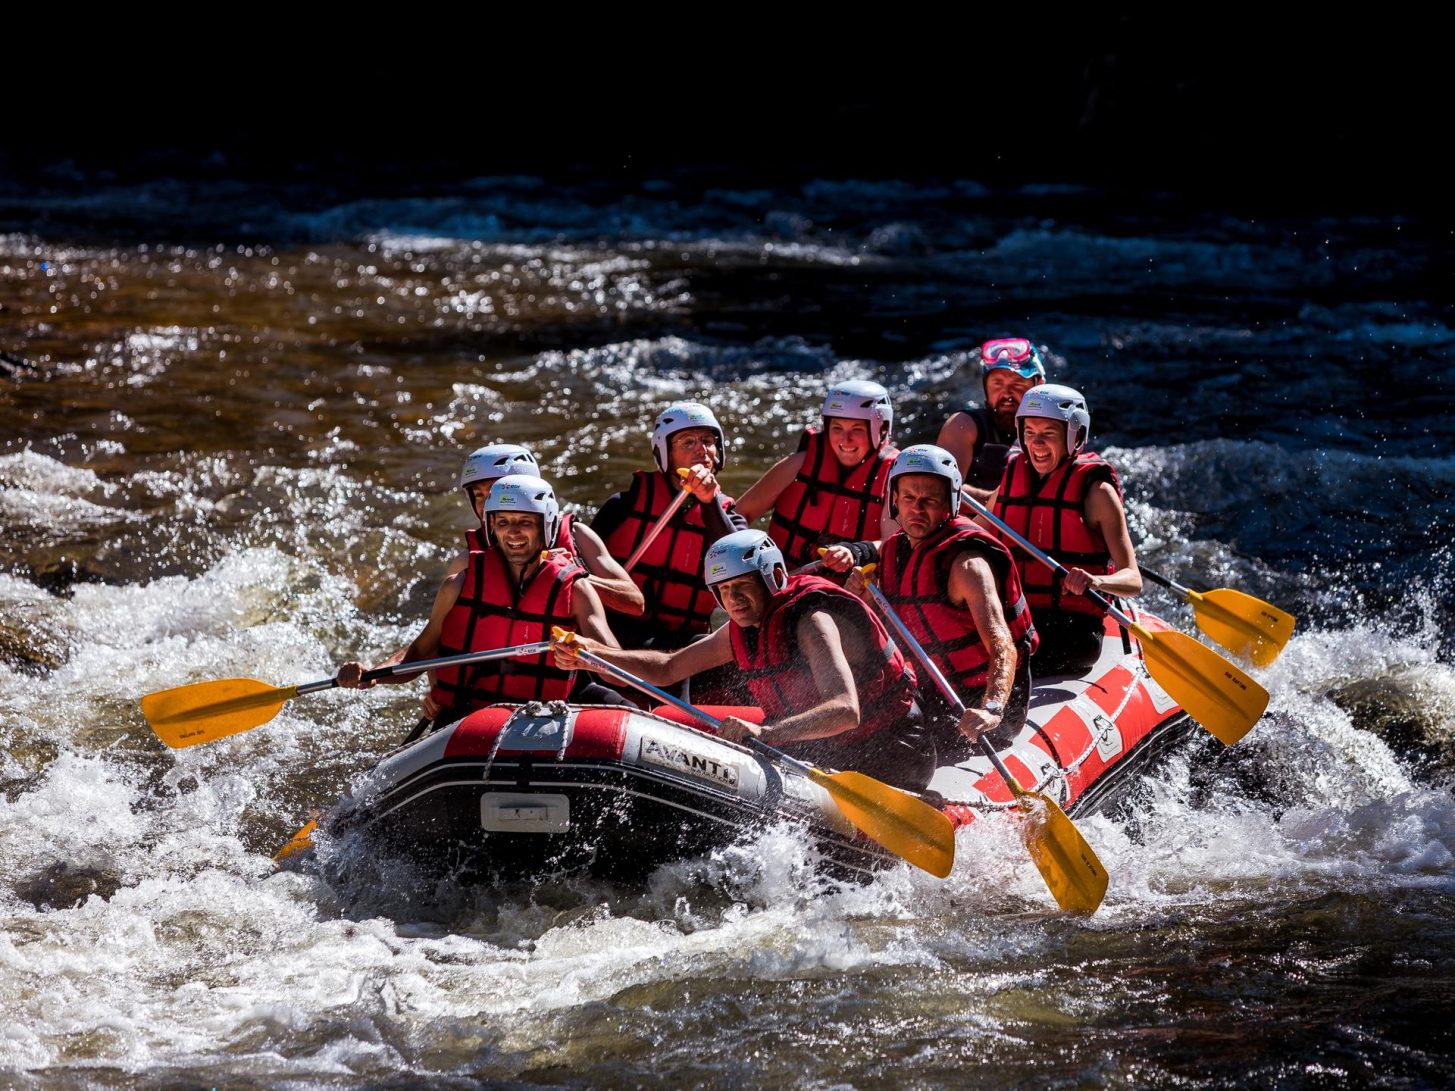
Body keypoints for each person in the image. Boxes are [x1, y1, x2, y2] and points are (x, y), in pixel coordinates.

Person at [554, 530, 935, 793]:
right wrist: (594, 653)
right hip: (831, 749)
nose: (733, 600)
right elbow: (666, 669)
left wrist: (766, 734)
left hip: (893, 749)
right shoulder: (741, 628)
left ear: (773, 577)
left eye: (741, 587)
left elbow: (845, 710)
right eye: (723, 591)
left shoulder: (812, 621)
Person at [338, 475, 625, 725]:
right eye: (503, 522)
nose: (512, 532)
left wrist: (587, 654)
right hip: (468, 717)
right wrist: (372, 673)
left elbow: (616, 667)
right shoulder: (459, 585)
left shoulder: (576, 591)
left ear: (546, 526)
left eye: (525, 522)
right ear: (491, 527)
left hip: (543, 719)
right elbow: (420, 654)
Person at [832, 444, 1038, 760]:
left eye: (929, 500)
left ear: (949, 504)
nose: (917, 509)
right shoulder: (891, 553)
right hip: (929, 692)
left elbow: (1003, 647)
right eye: (909, 499)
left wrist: (992, 708)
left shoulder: (968, 566)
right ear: (894, 501)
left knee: (896, 740)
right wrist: (859, 597)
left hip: (979, 703)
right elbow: (876, 636)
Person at [985, 384, 1142, 674]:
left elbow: (1133, 580)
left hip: (1070, 632)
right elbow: (978, 524)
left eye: (1048, 434)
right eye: (1029, 433)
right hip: (1017, 618)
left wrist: (1095, 581)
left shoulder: (1097, 493)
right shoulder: (1012, 477)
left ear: (1075, 436)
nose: (1037, 444)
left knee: (1002, 657)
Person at [592, 401, 747, 650]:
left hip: (686, 641)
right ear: (665, 452)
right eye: (688, 442)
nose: (702, 451)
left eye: (708, 441)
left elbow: (741, 571)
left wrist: (709, 503)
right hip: (619, 632)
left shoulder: (729, 517)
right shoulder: (623, 505)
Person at [453, 442, 642, 617]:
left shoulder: (578, 535)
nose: (486, 505)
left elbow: (635, 604)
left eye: (499, 493)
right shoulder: (468, 561)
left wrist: (571, 576)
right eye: (479, 495)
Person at [732, 379, 900, 567]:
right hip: (785, 583)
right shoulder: (798, 464)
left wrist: (856, 551)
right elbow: (738, 515)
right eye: (837, 428)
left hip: (848, 589)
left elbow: (894, 543)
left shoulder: (893, 478)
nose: (845, 440)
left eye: (857, 429)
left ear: (882, 429)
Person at [936, 337, 1047, 503]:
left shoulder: (1056, 430)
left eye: (1017, 384)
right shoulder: (963, 425)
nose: (1007, 394)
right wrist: (999, 502)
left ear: (1039, 387)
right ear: (986, 388)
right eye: (997, 384)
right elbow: (941, 489)